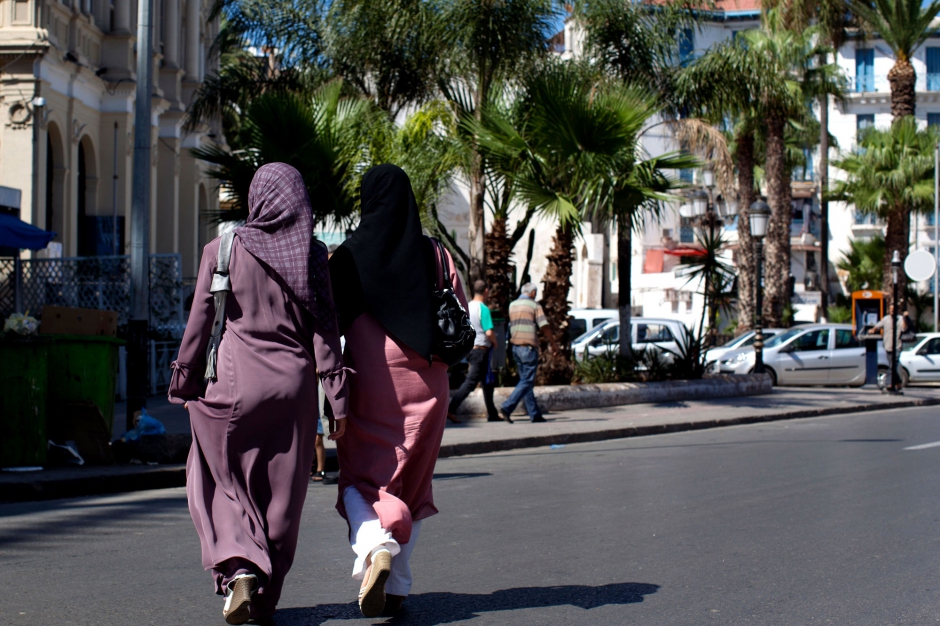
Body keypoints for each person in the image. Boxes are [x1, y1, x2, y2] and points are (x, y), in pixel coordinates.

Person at [168, 163, 350, 625]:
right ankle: (265, 596)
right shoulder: (311, 255)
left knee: (216, 476)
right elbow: (326, 332)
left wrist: (185, 379)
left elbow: (200, 322)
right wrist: (337, 398)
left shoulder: (222, 248)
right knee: (283, 496)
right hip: (294, 392)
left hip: (233, 386)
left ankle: (240, 568)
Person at [328, 164, 468, 618]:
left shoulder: (349, 256)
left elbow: (329, 322)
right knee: (410, 481)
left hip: (372, 380)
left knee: (361, 479)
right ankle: (400, 587)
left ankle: (376, 545)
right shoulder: (435, 254)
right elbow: (460, 311)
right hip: (430, 381)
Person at [500, 283, 558, 423]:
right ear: (532, 293)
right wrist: (553, 343)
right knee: (527, 381)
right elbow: (543, 325)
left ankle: (534, 414)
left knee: (525, 380)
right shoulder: (534, 305)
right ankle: (507, 407)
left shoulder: (512, 305)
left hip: (515, 347)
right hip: (528, 348)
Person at [447, 279, 501, 422]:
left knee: (487, 383)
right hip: (481, 350)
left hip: (471, 349)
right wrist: (495, 342)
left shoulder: (467, 306)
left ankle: (492, 413)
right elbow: (489, 332)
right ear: (486, 291)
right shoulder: (483, 308)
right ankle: (451, 408)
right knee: (471, 382)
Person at [872, 303, 908, 390]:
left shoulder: (899, 319)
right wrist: (872, 329)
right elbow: (878, 326)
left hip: (897, 346)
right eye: (890, 309)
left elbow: (904, 328)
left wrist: (904, 318)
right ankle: (898, 383)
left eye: (893, 309)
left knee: (892, 366)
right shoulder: (886, 319)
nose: (891, 311)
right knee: (892, 366)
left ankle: (889, 383)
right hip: (888, 346)